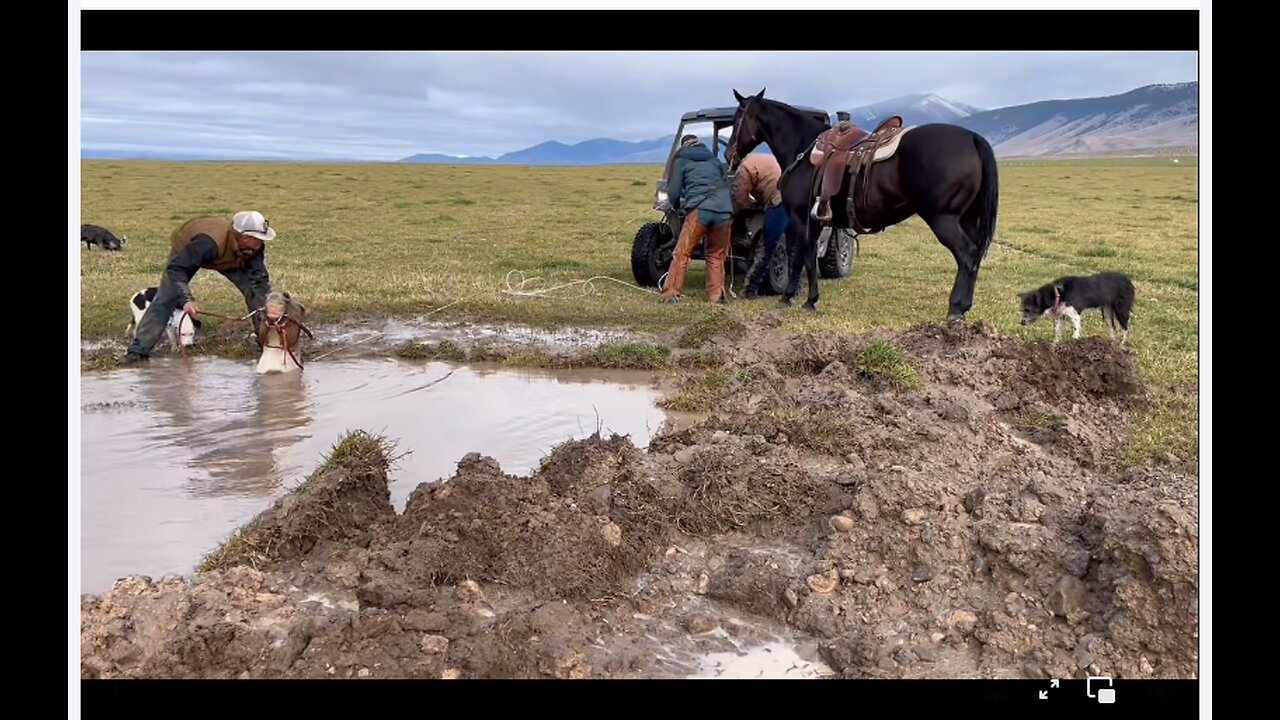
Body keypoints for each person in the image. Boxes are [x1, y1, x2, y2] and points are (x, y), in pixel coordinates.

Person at [121, 210, 275, 364]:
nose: (262, 242)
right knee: (167, 298)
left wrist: (270, 303)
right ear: (245, 237)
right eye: (259, 239)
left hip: (229, 257)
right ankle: (138, 352)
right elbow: (176, 270)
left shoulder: (255, 246)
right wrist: (186, 300)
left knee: (258, 293)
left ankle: (268, 343)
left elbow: (259, 279)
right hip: (188, 251)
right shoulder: (207, 243)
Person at [660, 134, 733, 304]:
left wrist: (676, 205)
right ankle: (717, 296)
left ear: (684, 145)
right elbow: (726, 185)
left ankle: (671, 294)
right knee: (716, 254)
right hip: (724, 211)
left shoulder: (681, 160)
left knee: (682, 253)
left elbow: (674, 191)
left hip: (700, 210)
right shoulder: (714, 160)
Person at [731, 152, 789, 298]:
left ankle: (750, 290)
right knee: (793, 248)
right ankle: (794, 288)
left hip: (778, 203)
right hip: (792, 199)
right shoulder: (764, 158)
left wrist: (731, 213)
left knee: (765, 248)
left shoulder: (745, 167)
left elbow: (739, 198)